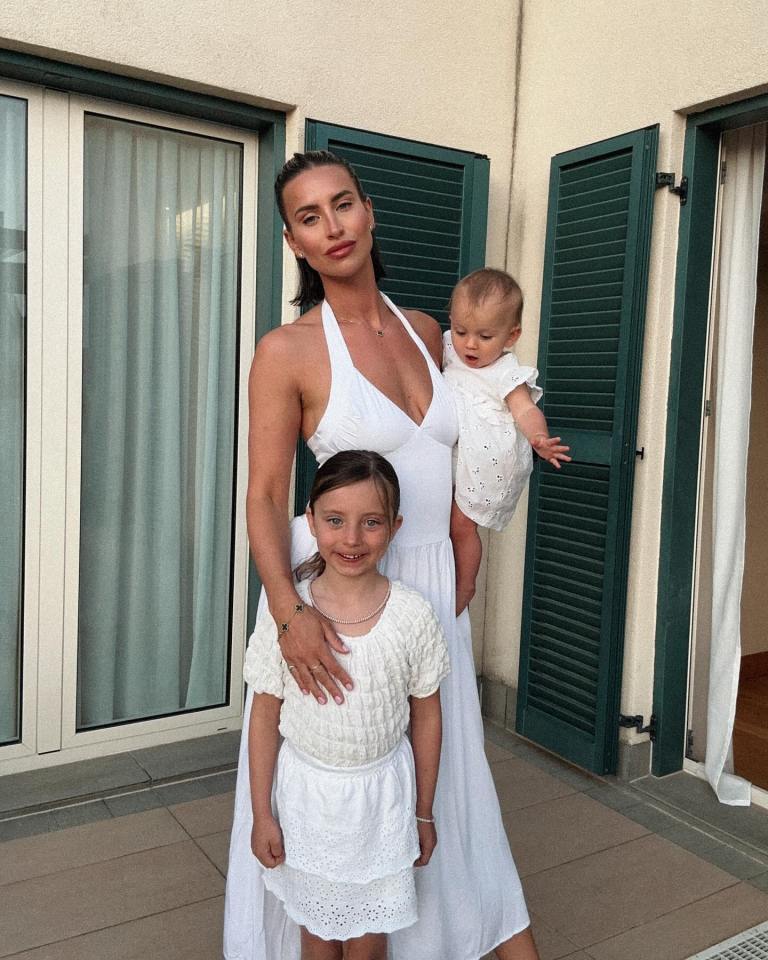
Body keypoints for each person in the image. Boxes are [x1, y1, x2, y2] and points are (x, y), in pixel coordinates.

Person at [224, 148, 540, 960]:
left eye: (343, 204)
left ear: (369, 212)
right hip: (345, 607)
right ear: (293, 241)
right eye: (308, 216)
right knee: (347, 804)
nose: (332, 226)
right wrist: (290, 613)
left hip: (434, 598)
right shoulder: (286, 351)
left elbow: (465, 456)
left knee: (449, 789)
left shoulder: (433, 332)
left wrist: (469, 558)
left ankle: (464, 937)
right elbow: (263, 496)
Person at [246, 450, 448, 960]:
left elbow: (427, 714)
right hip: (307, 804)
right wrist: (260, 814)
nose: (352, 539)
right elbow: (265, 716)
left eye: (371, 523)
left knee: (369, 942)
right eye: (335, 520)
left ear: (395, 526)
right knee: (317, 937)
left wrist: (423, 813)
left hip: (384, 805)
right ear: (310, 521)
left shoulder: (412, 615)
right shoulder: (287, 617)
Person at [444, 268, 571, 613]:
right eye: (461, 331)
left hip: (484, 459)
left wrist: (539, 437)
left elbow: (525, 410)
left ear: (511, 336)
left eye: (485, 336)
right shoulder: (446, 349)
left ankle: (465, 585)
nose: (470, 344)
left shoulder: (506, 372)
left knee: (461, 525)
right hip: (454, 452)